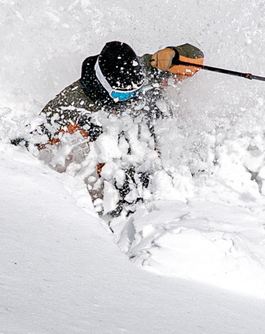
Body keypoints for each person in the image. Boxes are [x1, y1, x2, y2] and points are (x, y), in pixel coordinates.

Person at [16, 40, 204, 216]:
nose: (128, 100)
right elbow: (30, 141)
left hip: (147, 132)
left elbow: (195, 58)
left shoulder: (142, 68)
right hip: (111, 151)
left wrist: (176, 54)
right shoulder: (71, 105)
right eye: (122, 95)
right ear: (104, 86)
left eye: (135, 91)